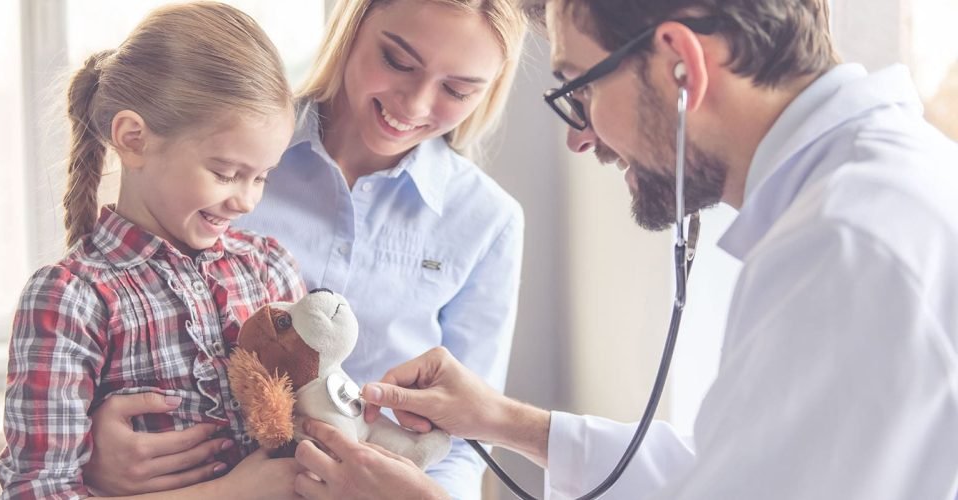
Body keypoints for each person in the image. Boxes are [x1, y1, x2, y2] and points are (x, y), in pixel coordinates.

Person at [283, 0, 958, 498]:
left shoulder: (845, 245)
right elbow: (720, 469)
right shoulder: (866, 195)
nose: (581, 140)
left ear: (682, 67)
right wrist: (508, 421)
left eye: (581, 88)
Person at [81, 1, 528, 499]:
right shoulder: (224, 148)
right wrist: (86, 450)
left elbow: (465, 440)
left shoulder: (489, 221)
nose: (416, 105)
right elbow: (113, 322)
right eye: (398, 61)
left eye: (457, 90)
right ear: (351, 26)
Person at [0, 2, 307, 498]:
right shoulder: (70, 299)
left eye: (261, 177)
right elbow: (37, 490)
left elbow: (311, 424)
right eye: (225, 173)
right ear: (134, 139)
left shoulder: (270, 268)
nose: (246, 200)